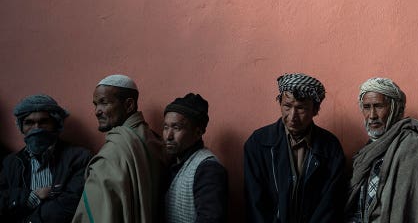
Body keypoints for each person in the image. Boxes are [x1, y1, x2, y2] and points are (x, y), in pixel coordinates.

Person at [345, 77, 418, 223]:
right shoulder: (370, 147)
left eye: (379, 106)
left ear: (395, 108)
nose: (372, 116)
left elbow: (408, 210)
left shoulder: (411, 146)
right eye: (366, 107)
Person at [244, 73, 346, 223]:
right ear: (279, 103)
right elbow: (255, 202)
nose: (292, 116)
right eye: (287, 106)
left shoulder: (330, 148)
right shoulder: (258, 143)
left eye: (301, 108)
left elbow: (330, 204)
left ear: (315, 110)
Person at [73, 74, 167, 223]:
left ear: (129, 105)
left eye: (104, 103)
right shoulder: (153, 139)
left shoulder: (113, 152)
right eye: (95, 104)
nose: (97, 111)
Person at [0, 94, 92, 223]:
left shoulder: (78, 158)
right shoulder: (11, 163)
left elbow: (72, 202)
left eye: (44, 121)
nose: (36, 128)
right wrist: (32, 196)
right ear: (21, 127)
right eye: (29, 122)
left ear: (56, 124)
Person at [163, 93, 228, 223]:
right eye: (165, 127)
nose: (168, 136)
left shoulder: (208, 169)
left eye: (176, 128)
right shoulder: (172, 162)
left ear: (198, 132)